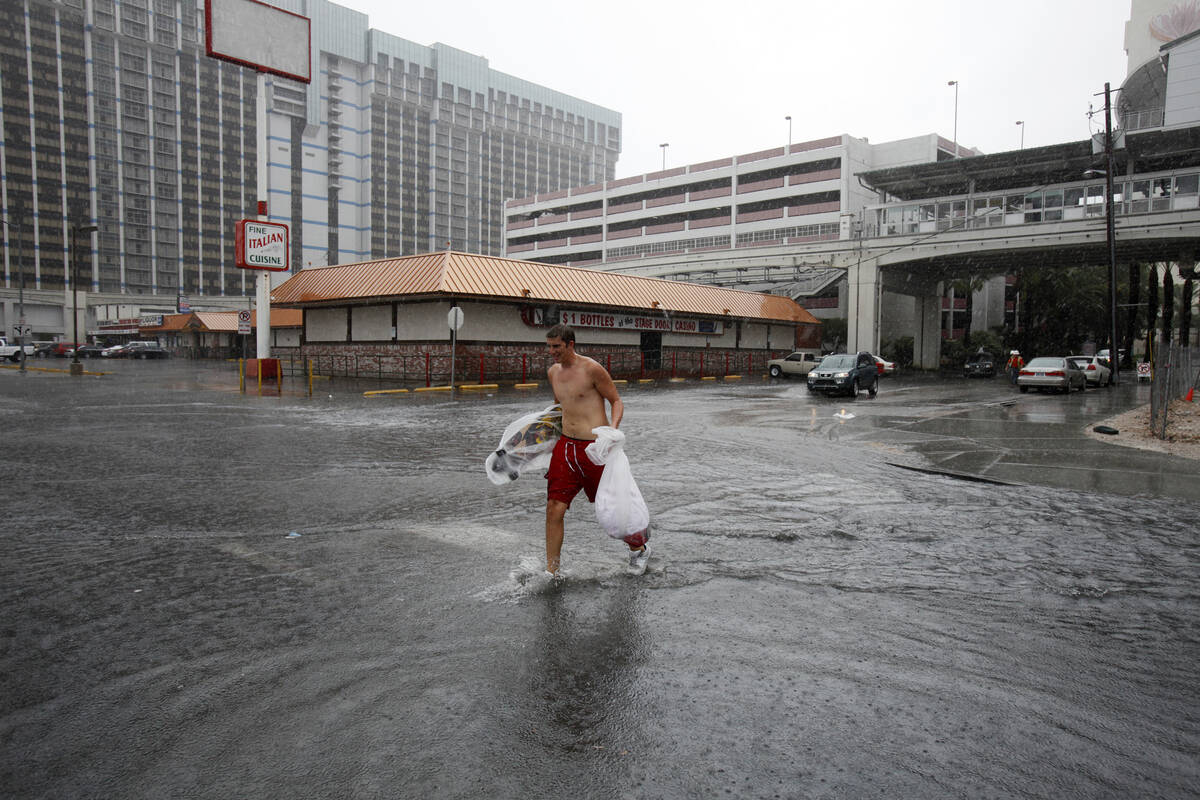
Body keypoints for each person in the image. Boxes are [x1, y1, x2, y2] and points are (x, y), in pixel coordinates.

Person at [543, 323, 648, 576]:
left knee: (615, 506)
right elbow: (559, 408)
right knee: (554, 507)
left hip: (595, 450)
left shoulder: (592, 369)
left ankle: (638, 549)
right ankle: (551, 571)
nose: (552, 352)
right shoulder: (553, 373)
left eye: (556, 346)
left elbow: (616, 400)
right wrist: (544, 441)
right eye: (549, 347)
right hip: (566, 449)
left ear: (570, 344)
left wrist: (612, 430)